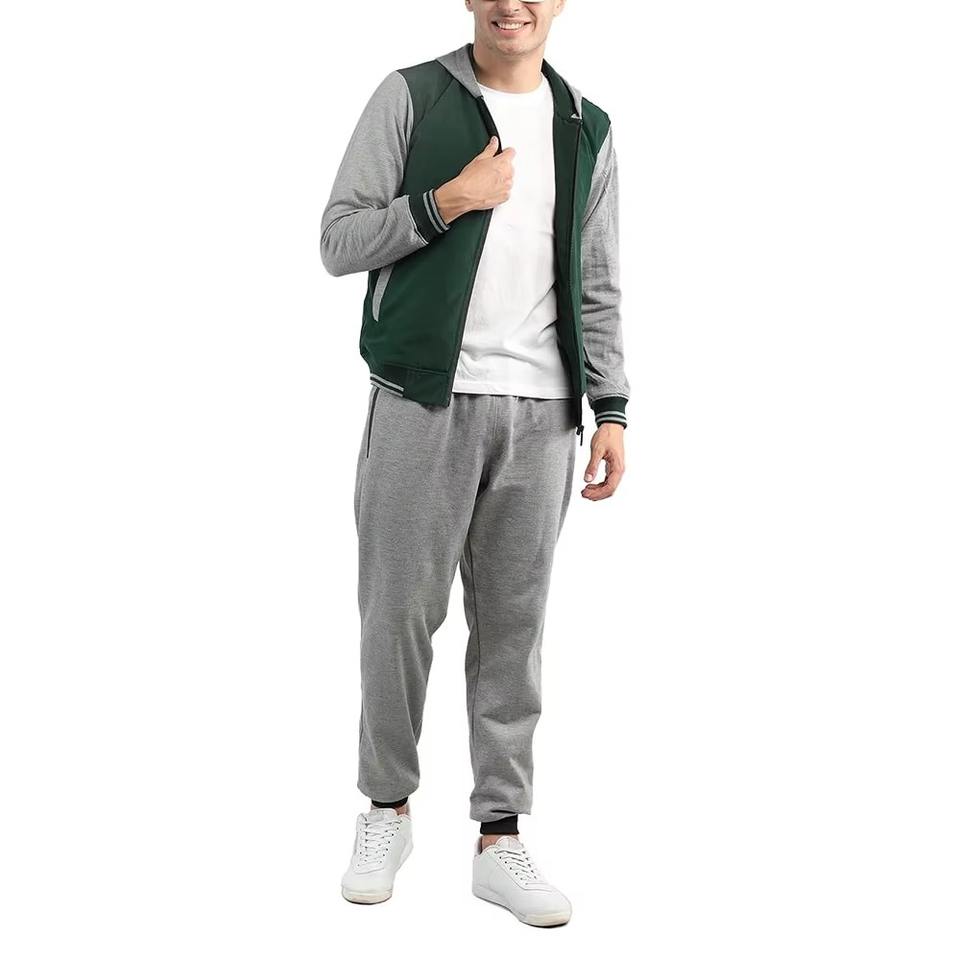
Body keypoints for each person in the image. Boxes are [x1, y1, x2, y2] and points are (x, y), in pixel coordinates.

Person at [320, 0, 629, 927]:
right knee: (397, 618)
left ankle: (501, 837)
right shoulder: (410, 96)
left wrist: (611, 408)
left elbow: (598, 281)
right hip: (422, 401)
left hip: (544, 415)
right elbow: (338, 240)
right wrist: (448, 200)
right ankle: (386, 811)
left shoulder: (586, 125)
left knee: (513, 632)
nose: (511, 4)